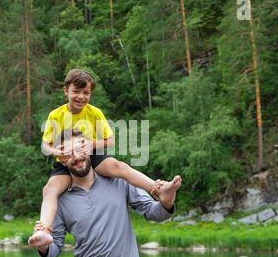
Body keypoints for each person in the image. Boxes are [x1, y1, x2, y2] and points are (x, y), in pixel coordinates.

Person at [28, 69, 178, 247]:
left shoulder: (94, 113)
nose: (81, 97)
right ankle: (43, 230)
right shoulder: (56, 115)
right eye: (76, 91)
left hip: (93, 156)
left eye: (86, 93)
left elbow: (111, 140)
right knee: (49, 190)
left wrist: (92, 145)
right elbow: (45, 144)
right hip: (66, 161)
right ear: (66, 90)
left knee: (120, 167)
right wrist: (56, 152)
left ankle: (157, 188)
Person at [35, 129, 182, 257]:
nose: (77, 157)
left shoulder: (119, 180)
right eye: (69, 154)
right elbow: (53, 250)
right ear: (62, 161)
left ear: (90, 149)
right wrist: (43, 246)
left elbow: (153, 212)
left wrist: (167, 202)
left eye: (79, 150)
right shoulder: (59, 200)